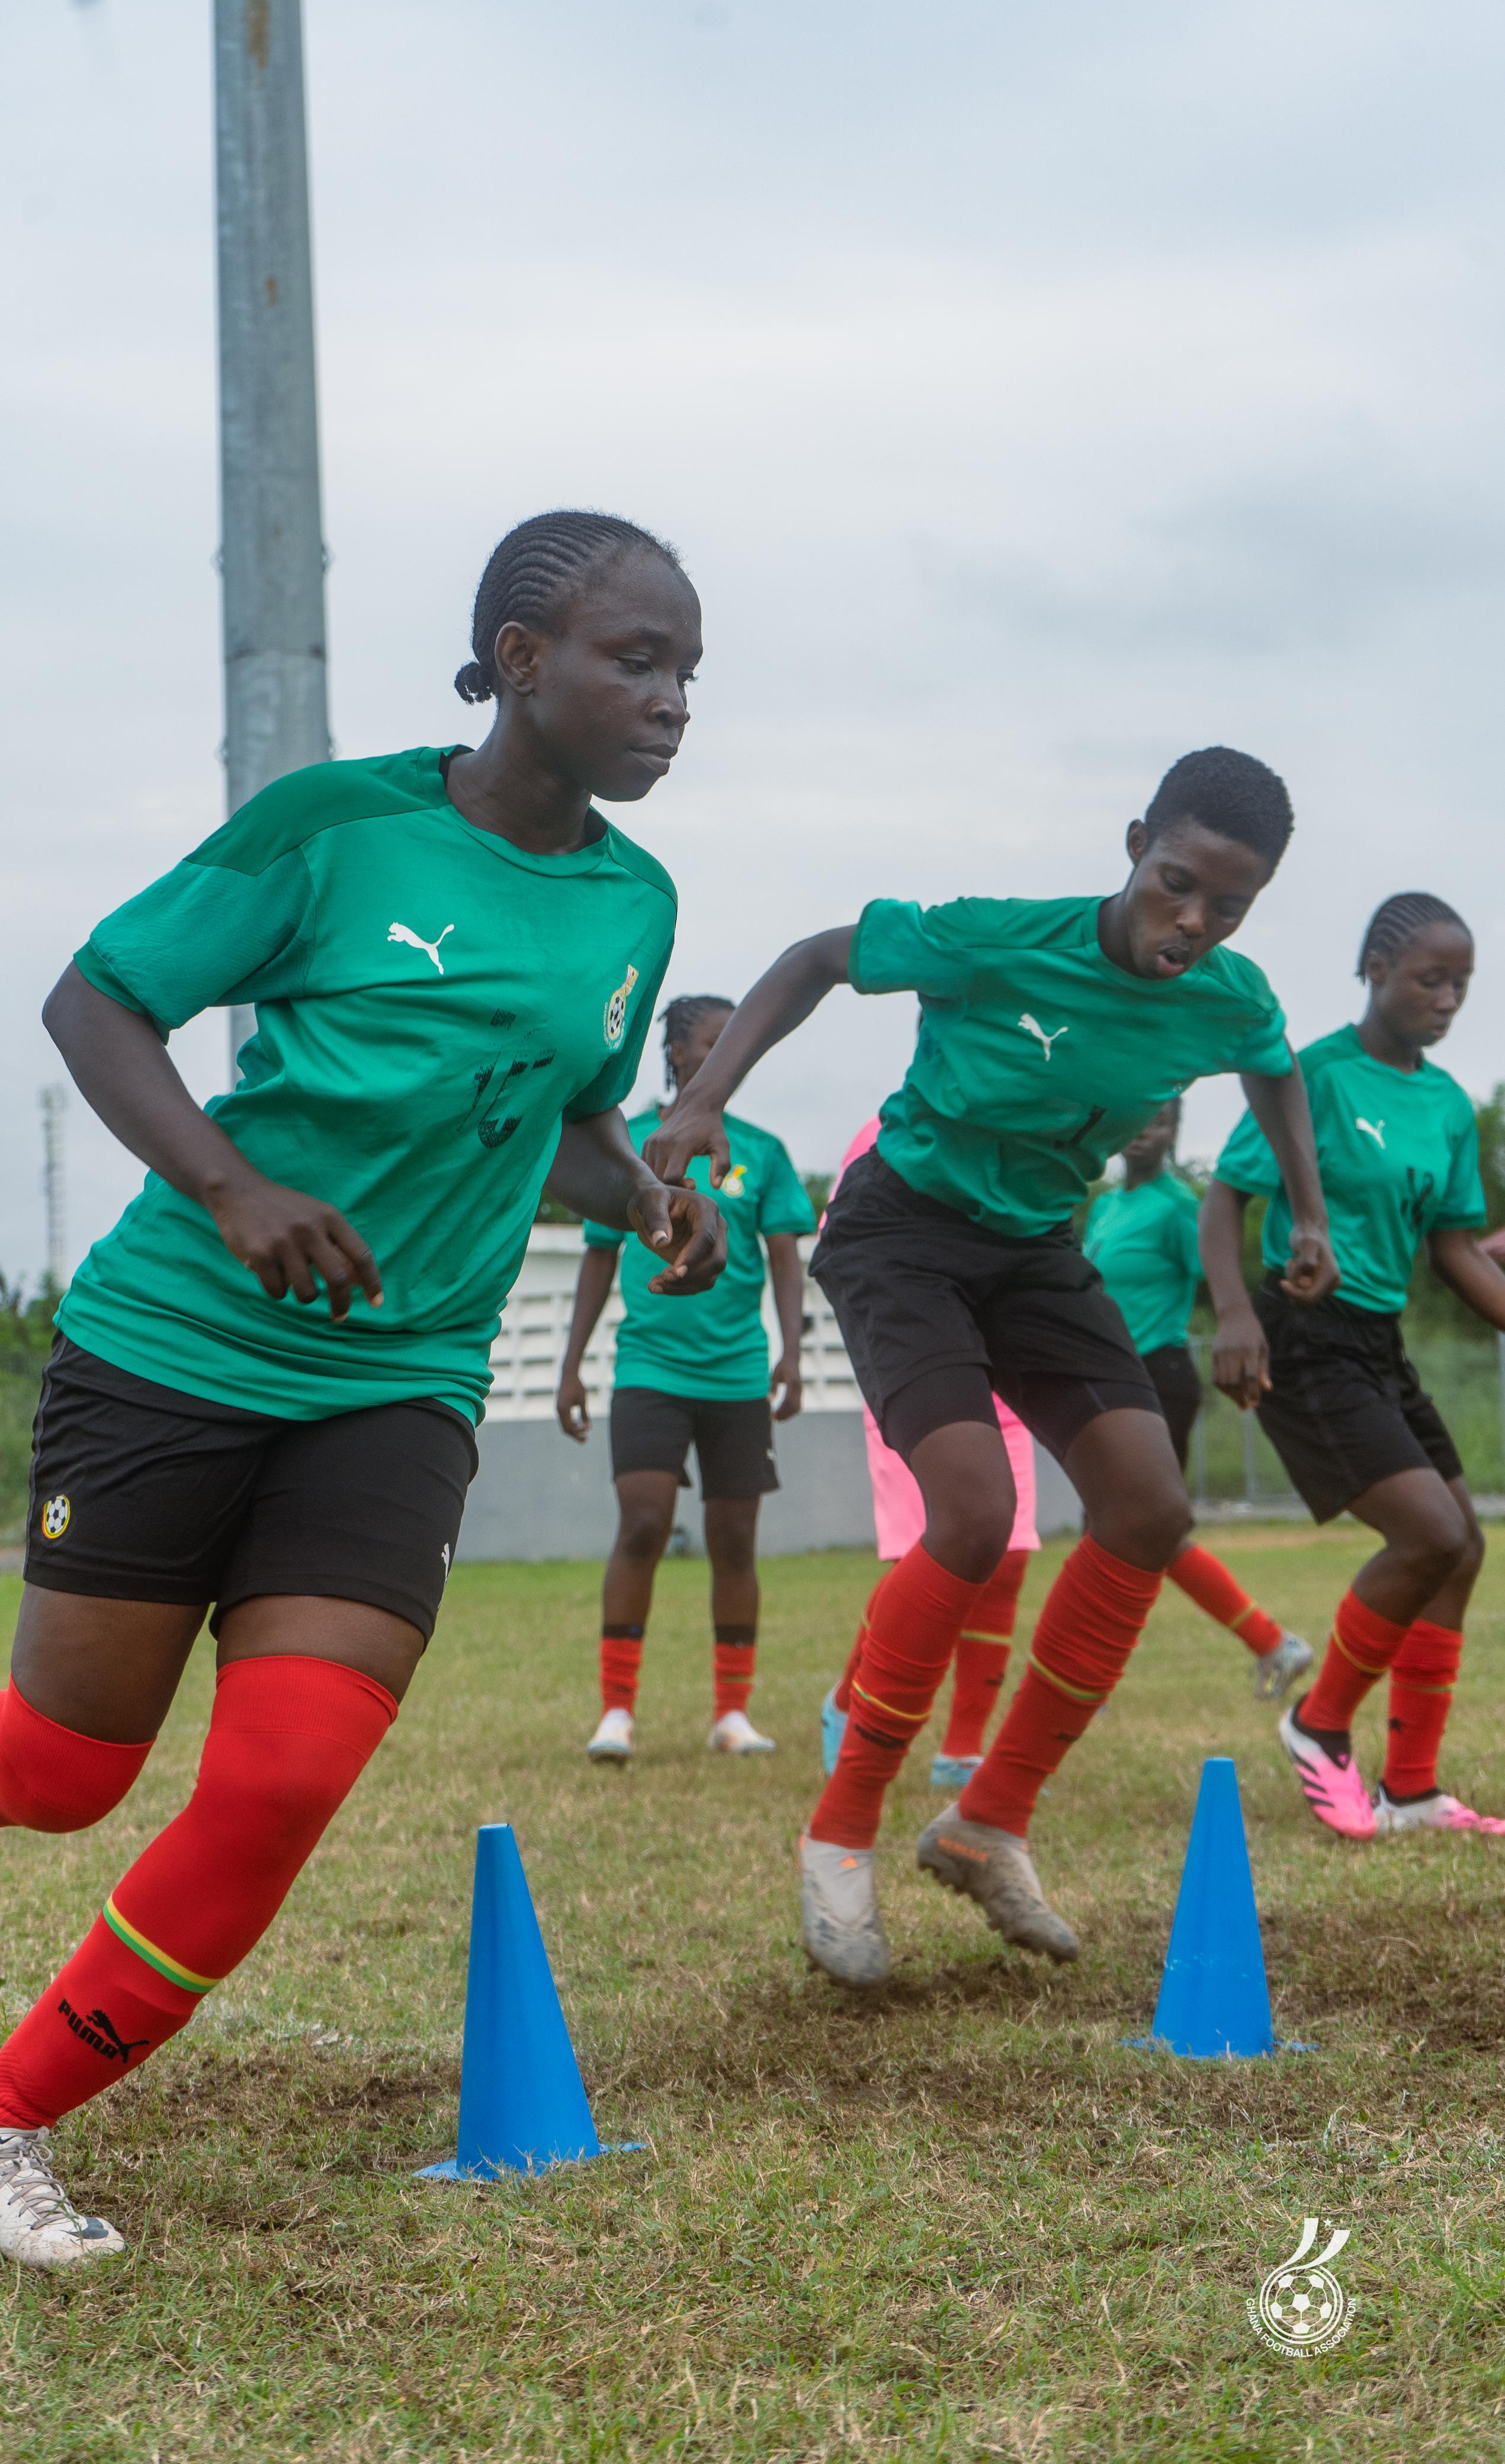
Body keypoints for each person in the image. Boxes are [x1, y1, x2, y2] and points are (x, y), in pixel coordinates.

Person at [0, 510, 726, 2267]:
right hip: (176, 1346)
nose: (672, 700)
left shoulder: (635, 901)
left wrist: (644, 1196)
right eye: (636, 660)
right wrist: (232, 1187)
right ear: (517, 660)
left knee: (281, 1779)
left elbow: (562, 1119)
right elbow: (98, 1000)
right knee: (72, 1763)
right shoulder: (336, 828)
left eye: (688, 670)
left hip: (399, 1381)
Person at [645, 745, 1339, 1987]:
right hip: (900, 1230)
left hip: (1033, 1247)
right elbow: (816, 957)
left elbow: (1275, 1067)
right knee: (971, 1513)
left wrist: (1309, 1212)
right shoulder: (999, 938)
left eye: (1228, 906)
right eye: (1176, 883)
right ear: (1135, 844)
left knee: (1148, 1507)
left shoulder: (1227, 996)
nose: (1193, 921)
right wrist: (706, 1098)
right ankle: (839, 1831)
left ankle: (987, 1820)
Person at [1201, 892, 1505, 1841]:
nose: (1447, 999)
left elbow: (1454, 1251)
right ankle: (1318, 1722)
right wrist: (1235, 1314)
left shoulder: (1447, 1105)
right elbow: (1224, 1198)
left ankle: (1410, 1793)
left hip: (1377, 1341)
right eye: (1430, 978)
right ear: (1375, 969)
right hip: (1302, 1334)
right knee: (1427, 1535)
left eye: (1461, 984)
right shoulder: (1316, 1075)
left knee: (1461, 1548)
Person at [556, 994, 814, 1759]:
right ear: (675, 1054)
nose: (729, 1053)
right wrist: (570, 1367)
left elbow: (785, 1258)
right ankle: (616, 1713)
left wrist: (791, 1352)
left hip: (736, 1374)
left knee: (734, 1541)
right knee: (643, 1524)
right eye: (712, 1041)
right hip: (650, 1368)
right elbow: (598, 1257)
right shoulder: (628, 1148)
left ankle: (732, 1715)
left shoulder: (763, 1151)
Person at [818, 1114, 1041, 1794]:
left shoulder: (1017, 1121)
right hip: (918, 1369)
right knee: (932, 1558)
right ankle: (847, 1702)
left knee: (1008, 1556)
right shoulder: (883, 1131)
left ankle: (962, 1748)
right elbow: (846, 1250)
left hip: (1002, 1364)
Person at [1084, 1099, 1311, 1696]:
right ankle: (1271, 1643)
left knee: (1129, 1528)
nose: (1143, 1131)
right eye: (1136, 1116)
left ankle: (1086, 1681)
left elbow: (1219, 1276)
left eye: (1157, 1121)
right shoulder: (1104, 1207)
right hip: (1106, 1379)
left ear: (1174, 1131)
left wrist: (1251, 1337)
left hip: (1157, 1378)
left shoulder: (1179, 1207)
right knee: (1125, 1529)